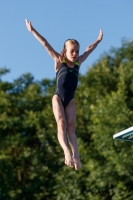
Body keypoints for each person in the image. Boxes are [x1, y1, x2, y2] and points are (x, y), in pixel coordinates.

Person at [25, 19, 103, 170]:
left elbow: (89, 48)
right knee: (62, 124)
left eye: (76, 51)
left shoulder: (79, 62)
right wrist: (33, 30)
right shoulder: (59, 60)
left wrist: (98, 40)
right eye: (72, 51)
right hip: (58, 98)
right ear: (65, 51)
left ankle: (77, 157)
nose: (75, 54)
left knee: (72, 128)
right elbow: (45, 43)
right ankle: (66, 153)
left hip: (70, 100)